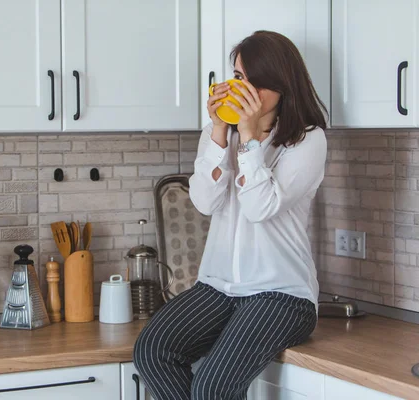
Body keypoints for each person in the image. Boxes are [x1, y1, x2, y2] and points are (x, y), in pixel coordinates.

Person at [133, 30, 328, 400]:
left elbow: (259, 208)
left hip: (282, 295)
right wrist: (221, 132)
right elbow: (205, 202)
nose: (242, 89)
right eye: (239, 78)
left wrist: (251, 138)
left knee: (213, 387)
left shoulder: (307, 140)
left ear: (281, 85)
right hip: (218, 287)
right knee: (152, 352)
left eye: (254, 81)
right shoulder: (218, 133)